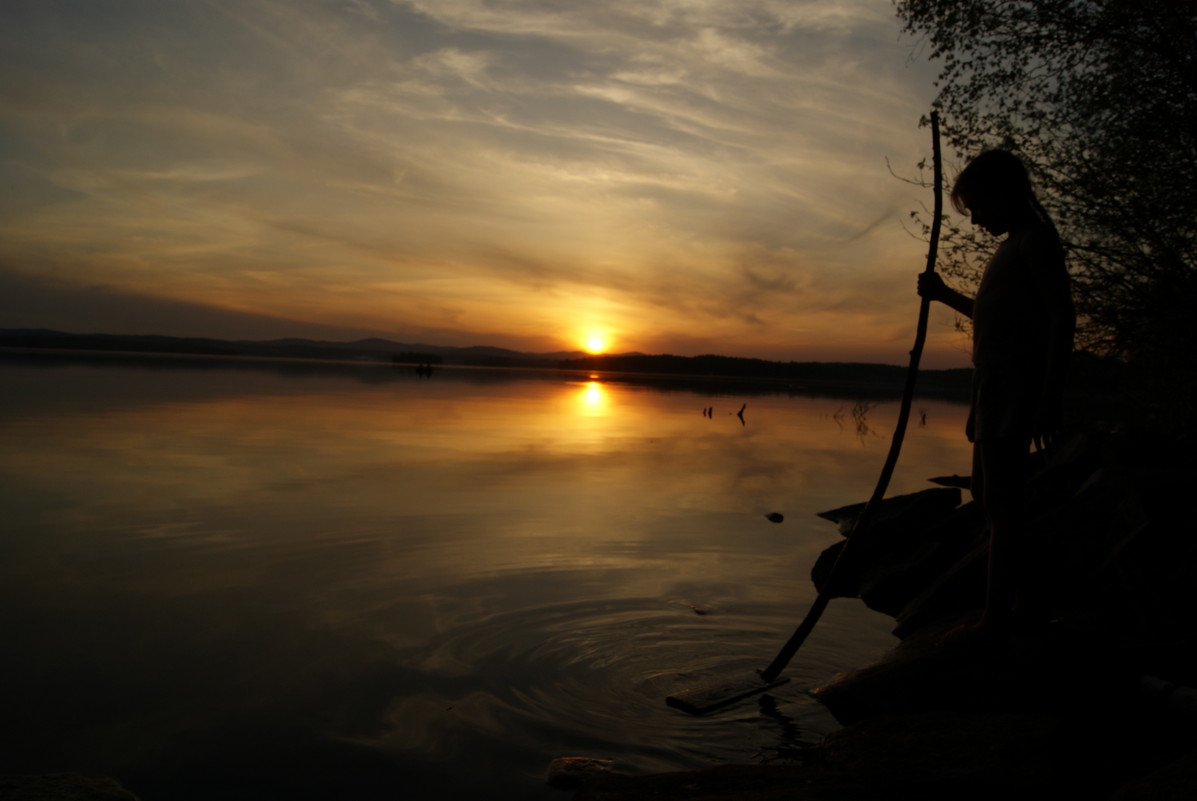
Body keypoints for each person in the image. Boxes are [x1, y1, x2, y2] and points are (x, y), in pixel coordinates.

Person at [917, 149, 1075, 647]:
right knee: (988, 498)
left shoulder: (1036, 241)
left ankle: (997, 620)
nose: (976, 218)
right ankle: (1030, 604)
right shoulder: (1012, 246)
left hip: (1015, 383)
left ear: (1004, 194)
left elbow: (1061, 319)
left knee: (1002, 505)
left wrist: (1050, 395)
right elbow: (991, 315)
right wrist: (944, 295)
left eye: (979, 206)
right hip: (991, 384)